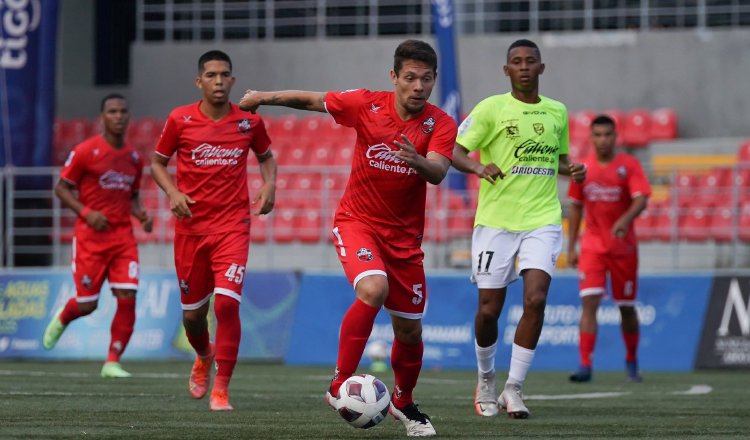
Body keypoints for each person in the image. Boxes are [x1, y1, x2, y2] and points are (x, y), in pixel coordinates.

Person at [239, 39, 457, 437]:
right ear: (394, 77)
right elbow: (312, 100)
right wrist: (262, 97)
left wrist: (418, 161)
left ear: (434, 81)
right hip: (357, 222)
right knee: (373, 288)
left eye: (426, 79)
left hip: (405, 241)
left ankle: (404, 403)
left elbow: (440, 171)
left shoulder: (440, 123)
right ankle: (339, 382)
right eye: (410, 78)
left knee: (410, 331)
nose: (418, 87)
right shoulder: (366, 104)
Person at [451, 39, 586, 419]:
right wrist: (479, 168)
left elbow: (556, 161)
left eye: (530, 61)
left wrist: (572, 169)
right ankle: (486, 379)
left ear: (542, 68)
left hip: (542, 219)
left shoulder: (557, 112)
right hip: (496, 223)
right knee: (489, 310)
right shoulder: (492, 108)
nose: (524, 67)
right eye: (516, 62)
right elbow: (455, 151)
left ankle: (514, 388)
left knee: (536, 300)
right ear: (506, 69)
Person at [150, 50, 277, 411]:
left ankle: (221, 388)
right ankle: (203, 355)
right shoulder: (180, 119)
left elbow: (267, 158)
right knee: (192, 316)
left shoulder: (248, 123)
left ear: (233, 81)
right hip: (190, 231)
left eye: (225, 75)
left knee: (226, 304)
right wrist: (172, 191)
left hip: (232, 227)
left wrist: (270, 185)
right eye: (211, 75)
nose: (219, 81)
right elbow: (157, 164)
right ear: (199, 81)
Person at [43, 94, 153, 378]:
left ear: (129, 117)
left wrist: (141, 214)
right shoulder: (85, 151)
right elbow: (62, 188)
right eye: (112, 112)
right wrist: (86, 212)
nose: (118, 116)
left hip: (123, 239)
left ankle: (112, 361)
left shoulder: (134, 158)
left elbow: (133, 197)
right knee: (88, 304)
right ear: (102, 118)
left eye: (123, 111)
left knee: (127, 295)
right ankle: (65, 315)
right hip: (91, 238)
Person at [567, 115, 650, 383]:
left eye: (608, 135)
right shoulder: (583, 168)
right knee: (589, 303)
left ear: (616, 137)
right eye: (598, 135)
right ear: (591, 138)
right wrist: (571, 246)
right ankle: (585, 365)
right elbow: (576, 207)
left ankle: (631, 359)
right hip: (592, 247)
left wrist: (624, 220)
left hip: (623, 249)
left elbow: (641, 198)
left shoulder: (629, 165)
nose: (603, 140)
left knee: (626, 307)